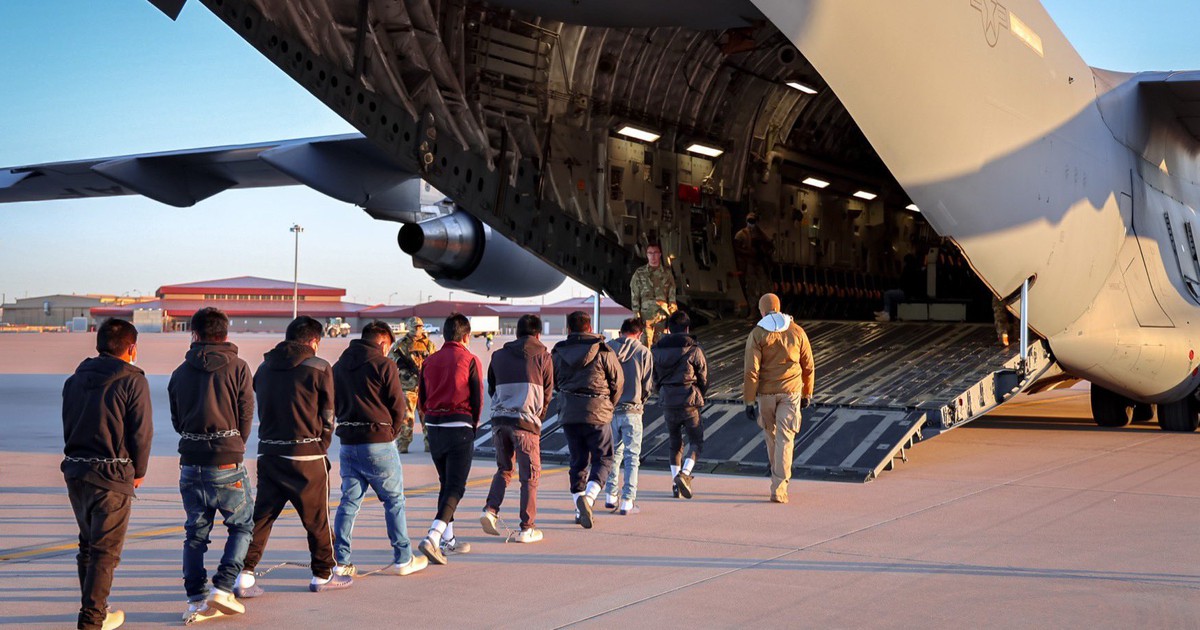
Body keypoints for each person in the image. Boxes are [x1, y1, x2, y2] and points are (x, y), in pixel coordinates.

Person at [236, 316, 351, 596]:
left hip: (270, 452)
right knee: (317, 519)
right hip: (306, 455)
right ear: (313, 341)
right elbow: (328, 413)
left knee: (261, 518)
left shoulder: (263, 368)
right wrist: (321, 444)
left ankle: (245, 573)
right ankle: (322, 574)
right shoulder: (319, 367)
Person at [61, 318, 152, 630]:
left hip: (76, 471)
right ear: (130, 348)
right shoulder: (132, 379)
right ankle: (92, 620)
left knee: (88, 546)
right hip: (111, 474)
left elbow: (68, 424)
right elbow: (141, 432)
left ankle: (98, 609)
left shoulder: (74, 379)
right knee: (105, 553)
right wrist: (138, 471)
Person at [167, 308, 254, 623]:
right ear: (226, 333)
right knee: (242, 525)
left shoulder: (179, 373)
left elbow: (178, 421)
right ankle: (223, 585)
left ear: (195, 334)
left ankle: (194, 599)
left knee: (195, 534)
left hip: (191, 461)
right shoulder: (240, 368)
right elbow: (246, 415)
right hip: (227, 459)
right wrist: (234, 443)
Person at [331, 321, 428, 578]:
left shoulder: (338, 367)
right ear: (383, 342)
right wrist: (391, 433)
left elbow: (332, 403)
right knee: (394, 500)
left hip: (348, 442)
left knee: (349, 502)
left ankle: (340, 560)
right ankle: (403, 557)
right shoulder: (385, 364)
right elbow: (398, 406)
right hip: (378, 442)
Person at [416, 313, 485, 564]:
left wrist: (428, 420)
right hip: (459, 425)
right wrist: (473, 426)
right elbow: (477, 399)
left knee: (445, 483)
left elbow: (420, 399)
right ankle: (433, 536)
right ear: (466, 336)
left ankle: (449, 540)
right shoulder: (469, 359)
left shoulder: (429, 360)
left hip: (434, 427)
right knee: (456, 486)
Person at [480, 314, 553, 543]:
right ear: (538, 334)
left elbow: (492, 387)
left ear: (516, 333)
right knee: (529, 477)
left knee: (504, 468)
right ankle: (527, 527)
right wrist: (537, 416)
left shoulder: (498, 355)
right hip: (526, 423)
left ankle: (490, 510)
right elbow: (548, 393)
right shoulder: (543, 355)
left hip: (500, 421)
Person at [552, 310, 623, 529]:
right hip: (598, 412)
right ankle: (589, 499)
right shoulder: (603, 350)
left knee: (578, 460)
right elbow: (618, 382)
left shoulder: (558, 352)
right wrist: (608, 404)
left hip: (570, 413)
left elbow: (553, 382)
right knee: (604, 458)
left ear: (569, 329)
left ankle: (578, 506)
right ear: (589, 328)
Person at [743, 293, 815, 503]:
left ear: (762, 311)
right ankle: (779, 488)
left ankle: (776, 478)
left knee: (771, 436)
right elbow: (808, 365)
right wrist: (807, 392)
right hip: (791, 392)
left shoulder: (757, 334)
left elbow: (751, 371)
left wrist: (748, 400)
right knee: (786, 439)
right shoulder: (797, 331)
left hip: (766, 394)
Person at [651, 310, 709, 499]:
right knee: (696, 441)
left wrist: (664, 392)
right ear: (687, 328)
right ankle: (685, 474)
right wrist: (700, 393)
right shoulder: (694, 349)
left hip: (668, 400)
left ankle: (676, 485)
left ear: (668, 329)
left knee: (675, 443)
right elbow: (704, 378)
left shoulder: (657, 349)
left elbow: (655, 379)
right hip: (689, 400)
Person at [603, 317, 653, 515]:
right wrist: (640, 400)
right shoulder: (643, 352)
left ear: (620, 331)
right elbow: (648, 384)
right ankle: (627, 501)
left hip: (610, 410)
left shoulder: (607, 349)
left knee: (613, 455)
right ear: (639, 333)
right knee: (632, 457)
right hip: (633, 410)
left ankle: (610, 496)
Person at [389, 316, 437, 453]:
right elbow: (391, 361)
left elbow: (435, 361)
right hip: (407, 386)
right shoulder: (400, 345)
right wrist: (402, 367)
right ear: (409, 328)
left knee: (427, 417)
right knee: (406, 418)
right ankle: (403, 444)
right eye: (415, 327)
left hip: (425, 387)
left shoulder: (429, 344)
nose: (418, 329)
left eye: (420, 327)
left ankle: (430, 444)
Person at [629, 243, 677, 347]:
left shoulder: (667, 273)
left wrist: (673, 315)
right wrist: (636, 314)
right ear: (647, 255)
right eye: (650, 253)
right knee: (645, 346)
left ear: (660, 254)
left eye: (655, 253)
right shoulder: (640, 273)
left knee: (660, 346)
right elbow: (635, 295)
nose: (653, 256)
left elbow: (672, 296)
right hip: (646, 317)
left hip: (662, 316)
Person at [734, 213, 775, 317]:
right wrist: (748, 253)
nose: (752, 224)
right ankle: (753, 311)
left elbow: (769, 246)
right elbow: (736, 248)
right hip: (749, 264)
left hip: (760, 264)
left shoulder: (761, 234)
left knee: (764, 288)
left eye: (753, 221)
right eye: (750, 221)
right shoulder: (742, 234)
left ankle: (766, 311)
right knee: (751, 289)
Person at [875, 253, 925, 322]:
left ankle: (886, 313)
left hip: (907, 293)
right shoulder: (917, 269)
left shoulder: (907, 268)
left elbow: (903, 281)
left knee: (887, 294)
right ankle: (887, 312)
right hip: (912, 293)